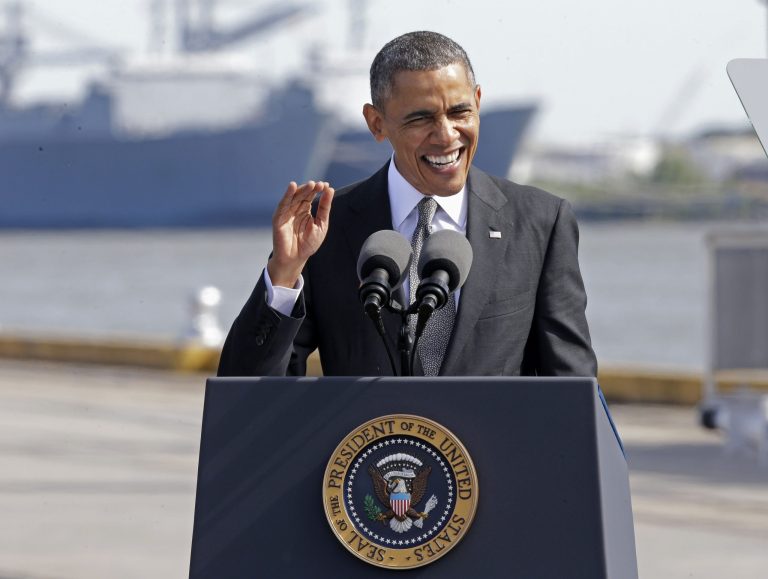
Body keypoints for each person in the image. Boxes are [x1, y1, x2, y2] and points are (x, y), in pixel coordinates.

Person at [217, 31, 597, 378]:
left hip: (492, 455)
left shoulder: (540, 223)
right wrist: (284, 274)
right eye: (421, 118)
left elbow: (572, 387)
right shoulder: (324, 229)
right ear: (376, 123)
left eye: (459, 112)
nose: (446, 135)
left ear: (478, 102)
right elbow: (249, 388)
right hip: (365, 452)